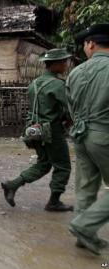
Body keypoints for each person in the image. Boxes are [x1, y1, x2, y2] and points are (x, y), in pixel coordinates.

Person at [1, 48, 73, 212]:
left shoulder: (35, 83)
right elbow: (70, 108)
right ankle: (54, 201)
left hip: (36, 128)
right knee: (62, 166)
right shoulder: (57, 84)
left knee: (44, 163)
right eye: (62, 61)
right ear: (53, 64)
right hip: (52, 130)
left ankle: (12, 185)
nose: (65, 64)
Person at [66, 23, 109, 256]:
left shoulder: (75, 72)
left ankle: (85, 236)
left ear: (91, 44)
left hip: (80, 135)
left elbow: (71, 107)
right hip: (104, 135)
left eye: (84, 45)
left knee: (85, 186)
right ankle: (84, 226)